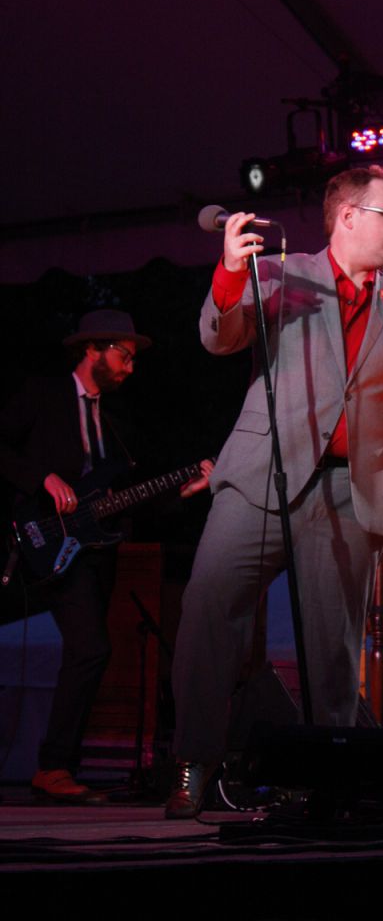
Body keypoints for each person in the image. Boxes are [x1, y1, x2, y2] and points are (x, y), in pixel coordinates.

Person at [166, 164, 383, 818]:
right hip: (258, 476)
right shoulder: (281, 275)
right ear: (349, 217)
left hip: (350, 490)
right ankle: (195, 760)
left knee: (333, 646)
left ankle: (331, 778)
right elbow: (220, 338)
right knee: (207, 612)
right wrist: (227, 272)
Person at [0, 310, 211, 802]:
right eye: (124, 355)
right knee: (91, 649)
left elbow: (118, 500)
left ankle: (55, 769)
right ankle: (53, 767)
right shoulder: (42, 396)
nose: (130, 368)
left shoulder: (115, 427)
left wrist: (184, 491)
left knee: (89, 651)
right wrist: (42, 478)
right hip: (39, 538)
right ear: (92, 349)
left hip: (91, 553)